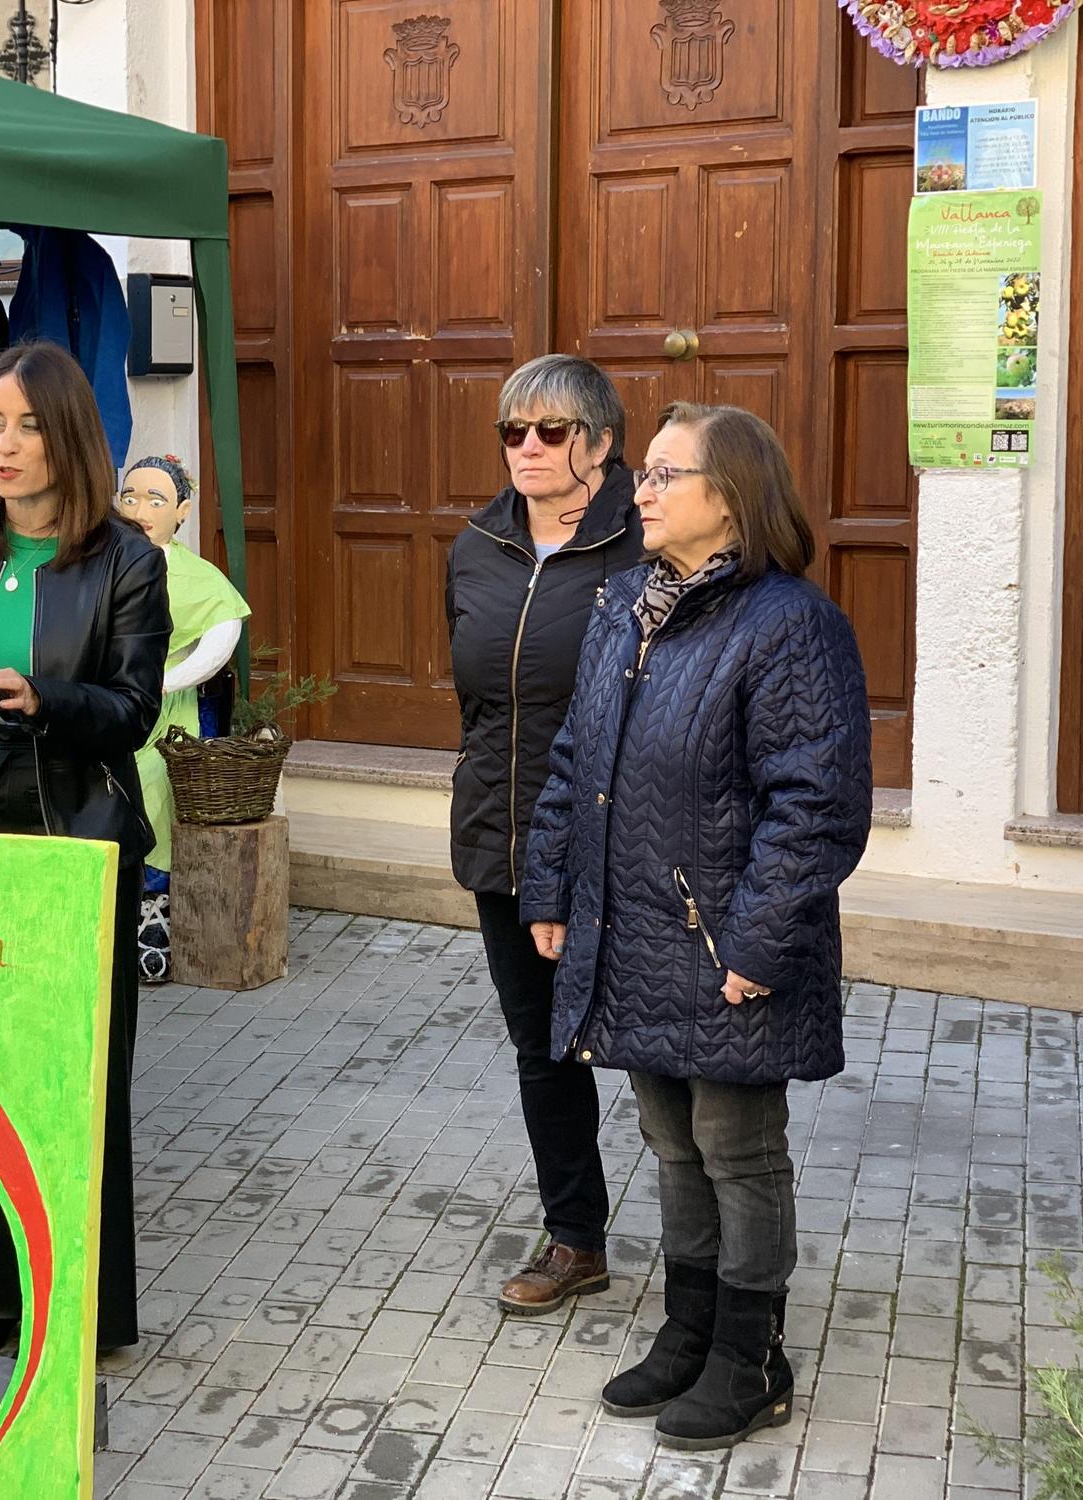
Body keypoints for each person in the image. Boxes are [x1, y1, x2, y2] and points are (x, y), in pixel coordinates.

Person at [520, 401, 871, 1450]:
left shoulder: (789, 625)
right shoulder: (625, 600)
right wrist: (549, 886)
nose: (644, 489)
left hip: (723, 944)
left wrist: (759, 946)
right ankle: (687, 1328)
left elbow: (814, 804)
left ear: (733, 496)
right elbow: (576, 759)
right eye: (648, 472)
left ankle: (748, 1357)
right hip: (630, 925)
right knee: (668, 1139)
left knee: (734, 1146)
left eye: (669, 475)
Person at [0, 341, 166, 1353]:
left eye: (25, 425)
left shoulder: (125, 561)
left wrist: (42, 699)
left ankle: (83, 1307)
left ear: (67, 435)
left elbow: (133, 710)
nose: (4, 446)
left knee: (70, 1081)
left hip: (74, 842)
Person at [445, 354, 643, 1316]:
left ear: (600, 443)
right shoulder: (477, 543)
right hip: (506, 833)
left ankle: (712, 1259)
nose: (527, 447)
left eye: (551, 431)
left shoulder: (646, 545)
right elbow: (479, 704)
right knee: (543, 1047)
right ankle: (577, 1238)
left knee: (658, 1046)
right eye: (512, 431)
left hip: (623, 845)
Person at [115, 454, 249, 984]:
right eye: (130, 497)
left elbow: (221, 634)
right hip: (103, 703)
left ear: (182, 510)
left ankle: (151, 912)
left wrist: (167, 680)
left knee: (151, 788)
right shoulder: (102, 559)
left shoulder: (195, 577)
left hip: (163, 707)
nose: (140, 509)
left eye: (155, 499)